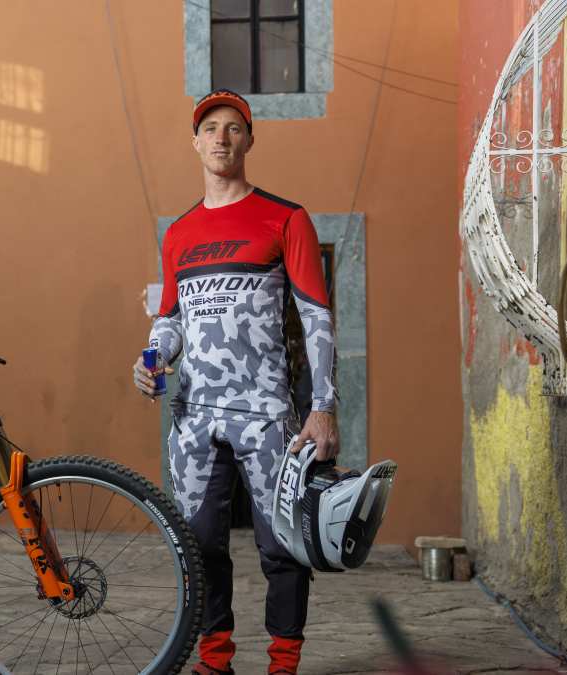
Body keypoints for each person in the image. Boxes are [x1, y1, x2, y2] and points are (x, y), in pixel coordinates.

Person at [132, 88, 339, 675]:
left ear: (248, 139)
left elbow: (317, 317)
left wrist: (322, 406)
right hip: (194, 417)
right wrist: (152, 358)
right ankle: (214, 660)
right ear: (195, 142)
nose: (221, 138)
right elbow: (171, 320)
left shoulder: (285, 218)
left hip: (267, 414)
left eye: (233, 127)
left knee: (283, 545)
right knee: (198, 546)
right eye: (210, 128)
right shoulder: (179, 233)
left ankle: (283, 664)